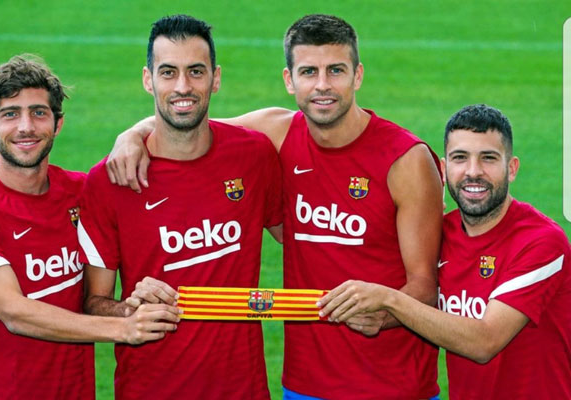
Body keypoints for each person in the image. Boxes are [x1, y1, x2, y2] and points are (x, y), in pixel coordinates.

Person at [108, 14, 443, 399]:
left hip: (395, 385)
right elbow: (187, 119)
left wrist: (385, 314)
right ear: (289, 80)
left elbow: (426, 286)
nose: (322, 85)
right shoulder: (278, 133)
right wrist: (132, 135)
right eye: (309, 72)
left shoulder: (406, 160)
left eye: (335, 70)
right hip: (303, 385)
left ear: (358, 75)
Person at [0, 55, 180, 400]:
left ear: (57, 123)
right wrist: (123, 328)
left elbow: (94, 297)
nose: (26, 127)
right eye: (10, 114)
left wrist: (133, 134)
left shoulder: (83, 193)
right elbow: (14, 313)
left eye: (38, 112)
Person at [76, 15, 282, 399]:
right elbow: (94, 302)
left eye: (196, 72)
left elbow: (304, 240)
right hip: (149, 389)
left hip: (243, 389)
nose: (183, 87)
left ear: (215, 79)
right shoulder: (110, 180)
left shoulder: (254, 156)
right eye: (168, 72)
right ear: (148, 79)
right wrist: (129, 311)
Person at [319, 104, 571, 399]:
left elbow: (484, 342)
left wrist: (389, 299)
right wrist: (376, 315)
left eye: (488, 158)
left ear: (512, 168)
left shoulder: (542, 242)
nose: (473, 172)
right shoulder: (441, 232)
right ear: (443, 168)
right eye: (460, 158)